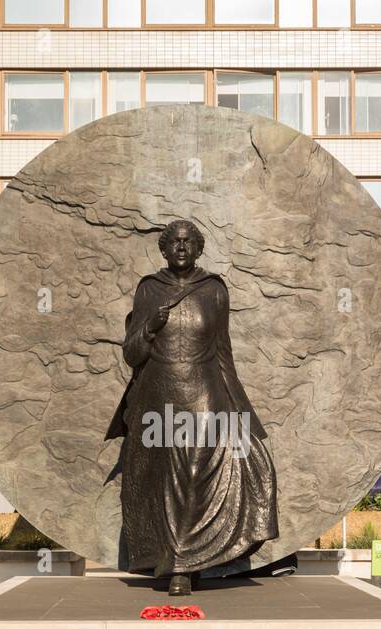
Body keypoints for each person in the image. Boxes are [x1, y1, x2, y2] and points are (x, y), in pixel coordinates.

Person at [105, 219, 279, 597]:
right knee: (165, 481)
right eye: (174, 243)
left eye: (188, 242)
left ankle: (184, 564)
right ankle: (175, 560)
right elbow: (132, 354)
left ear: (198, 248)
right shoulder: (149, 290)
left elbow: (223, 351)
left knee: (200, 469)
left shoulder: (214, 290)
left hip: (205, 392)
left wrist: (241, 412)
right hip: (159, 396)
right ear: (165, 250)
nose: (181, 248)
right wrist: (148, 326)